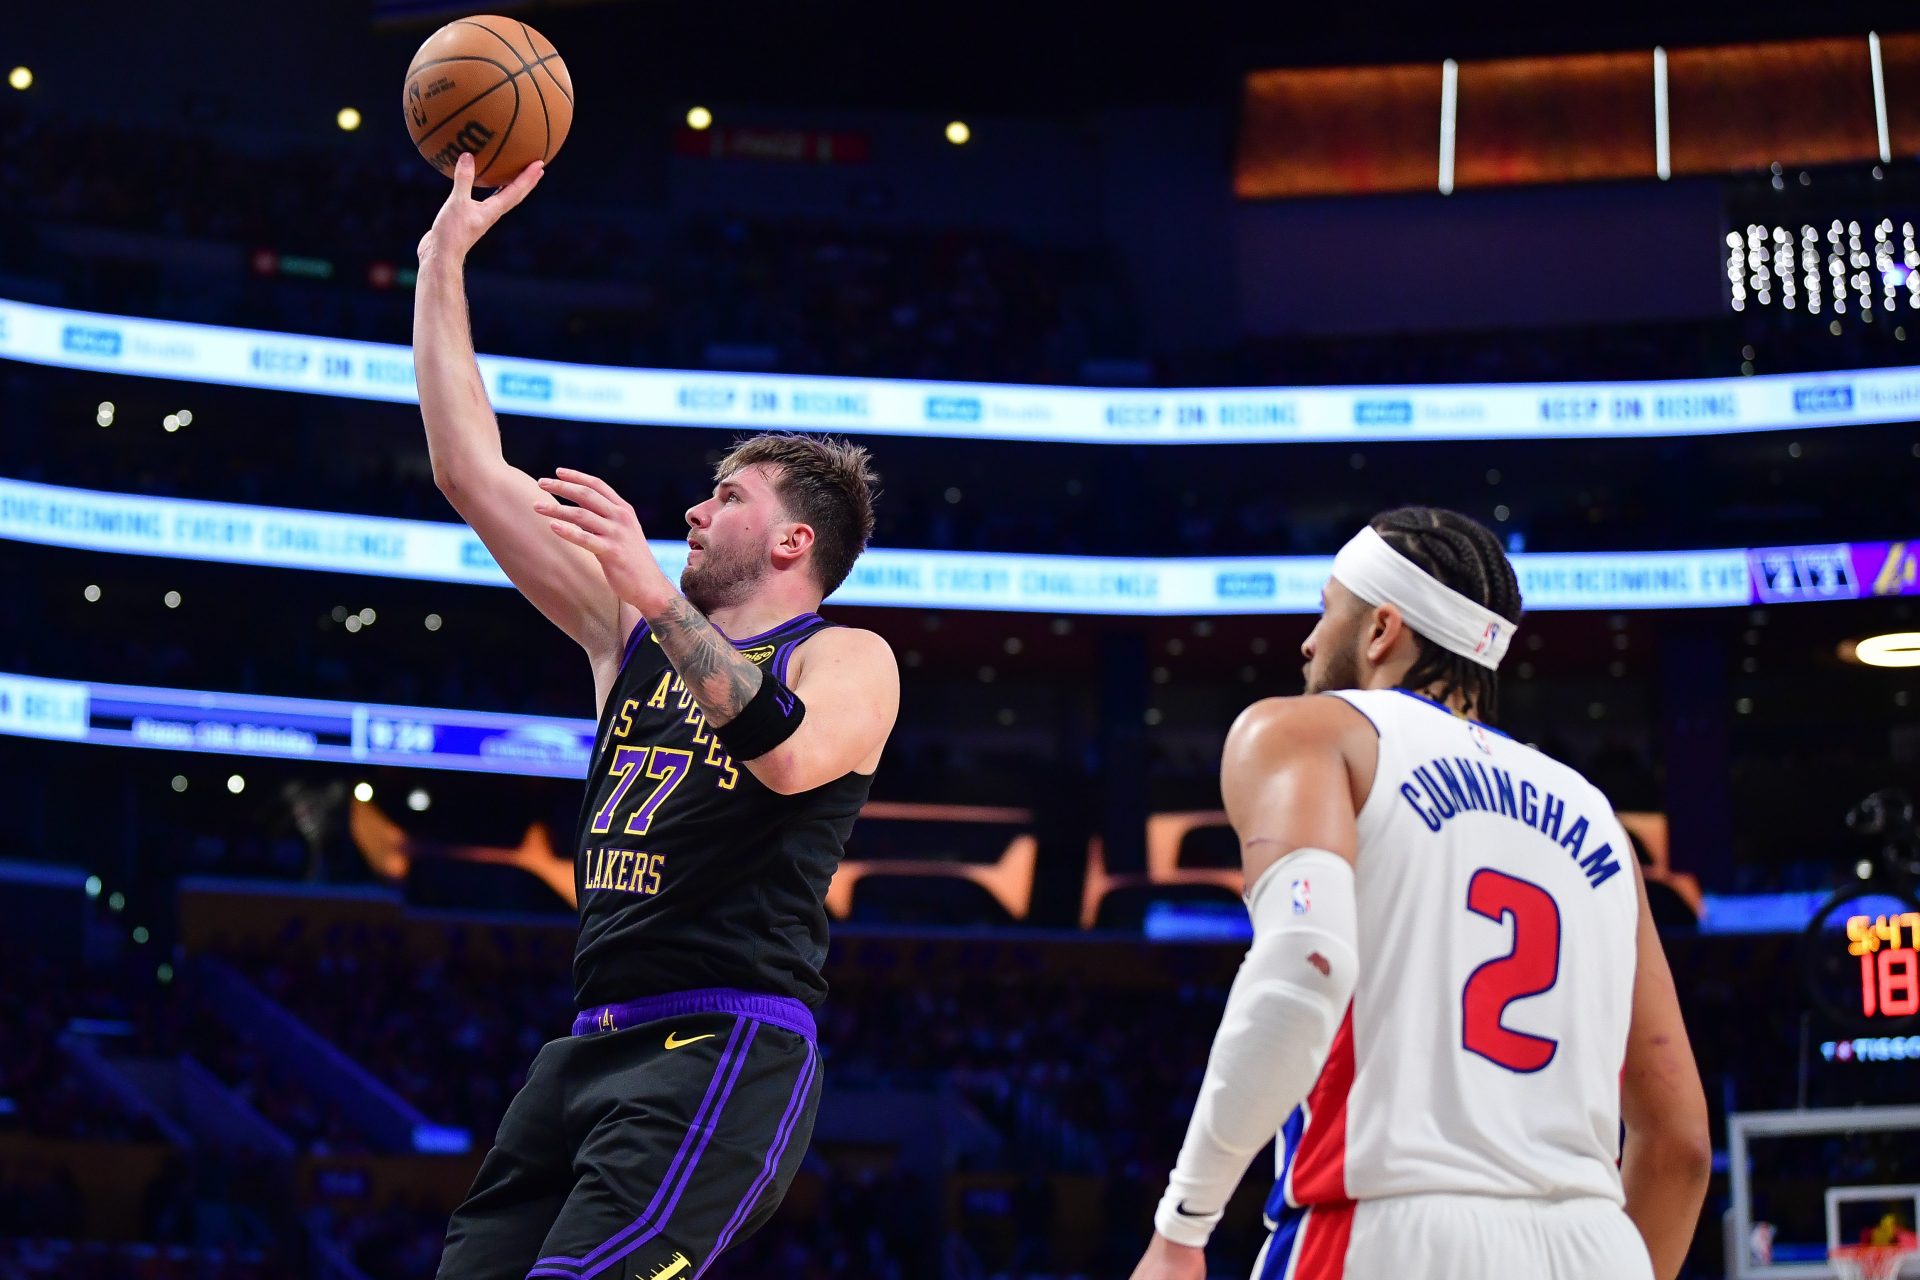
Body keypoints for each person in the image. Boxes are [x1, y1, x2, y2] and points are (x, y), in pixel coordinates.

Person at [414, 154, 900, 1279]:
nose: (694, 506)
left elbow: (781, 758)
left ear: (793, 543)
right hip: (585, 1046)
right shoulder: (627, 631)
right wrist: (443, 262)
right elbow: (466, 468)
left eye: (727, 494)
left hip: (725, 1042)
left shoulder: (847, 655)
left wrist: (648, 591)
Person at [1130, 507, 1711, 1280]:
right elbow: (1681, 1147)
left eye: (1325, 610)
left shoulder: (1307, 732)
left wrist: (1184, 1225)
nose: (1307, 641)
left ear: (1381, 630)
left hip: (1393, 1231)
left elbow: (1306, 962)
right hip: (1593, 1244)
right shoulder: (1597, 818)